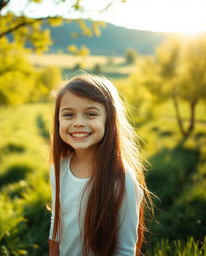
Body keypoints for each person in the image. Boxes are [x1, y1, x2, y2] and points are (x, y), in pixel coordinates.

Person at [48, 74, 152, 256]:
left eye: (91, 114)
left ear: (109, 120)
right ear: (58, 120)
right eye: (69, 114)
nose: (78, 122)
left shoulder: (122, 178)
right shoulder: (58, 169)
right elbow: (57, 228)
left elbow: (125, 250)